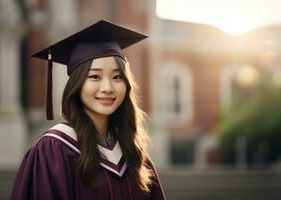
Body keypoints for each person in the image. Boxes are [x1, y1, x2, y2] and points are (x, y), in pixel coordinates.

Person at [10, 20, 165, 200]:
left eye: (117, 77)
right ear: (77, 85)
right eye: (94, 77)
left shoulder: (132, 152)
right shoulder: (55, 149)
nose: (107, 87)